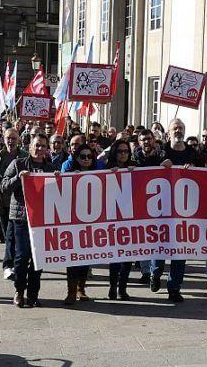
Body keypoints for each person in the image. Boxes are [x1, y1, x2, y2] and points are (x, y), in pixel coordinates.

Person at [153, 118, 205, 303]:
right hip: (162, 209)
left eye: (181, 128)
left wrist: (195, 170)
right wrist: (161, 166)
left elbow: (204, 173)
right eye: (175, 128)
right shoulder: (161, 151)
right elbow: (148, 173)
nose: (178, 131)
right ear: (168, 132)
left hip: (185, 210)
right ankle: (155, 272)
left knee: (180, 250)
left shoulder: (193, 153)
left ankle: (174, 287)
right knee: (159, 246)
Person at [1, 134, 54, 307]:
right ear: (30, 147)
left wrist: (59, 180)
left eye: (43, 146)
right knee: (22, 257)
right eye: (37, 145)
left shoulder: (50, 167)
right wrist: (18, 178)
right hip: (21, 219)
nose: (40, 149)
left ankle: (33, 294)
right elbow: (4, 187)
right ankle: (19, 291)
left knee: (38, 259)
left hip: (42, 220)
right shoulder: (18, 164)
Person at [60, 143, 102, 304]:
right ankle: (71, 291)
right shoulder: (69, 173)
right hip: (72, 221)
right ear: (76, 158)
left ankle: (81, 289)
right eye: (82, 156)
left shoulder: (100, 174)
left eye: (89, 156)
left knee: (86, 258)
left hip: (92, 221)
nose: (86, 159)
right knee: (73, 257)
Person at [0, 128, 26, 280]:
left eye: (14, 138)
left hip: (20, 203)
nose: (11, 141)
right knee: (9, 236)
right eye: (8, 138)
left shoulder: (24, 156)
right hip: (2, 201)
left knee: (16, 236)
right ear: (3, 139)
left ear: (19, 140)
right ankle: (9, 265)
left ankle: (13, 264)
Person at [133, 128, 166, 284]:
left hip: (159, 203)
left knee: (156, 238)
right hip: (139, 203)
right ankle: (146, 271)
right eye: (143, 139)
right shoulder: (134, 158)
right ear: (139, 142)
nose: (146, 141)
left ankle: (155, 271)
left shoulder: (163, 156)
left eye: (149, 138)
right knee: (142, 239)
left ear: (154, 140)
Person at [106, 140, 136, 300]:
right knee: (115, 257)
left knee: (128, 257)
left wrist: (136, 173)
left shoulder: (134, 166)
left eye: (126, 151)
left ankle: (122, 288)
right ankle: (112, 286)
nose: (123, 154)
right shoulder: (106, 167)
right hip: (113, 217)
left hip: (131, 218)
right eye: (120, 151)